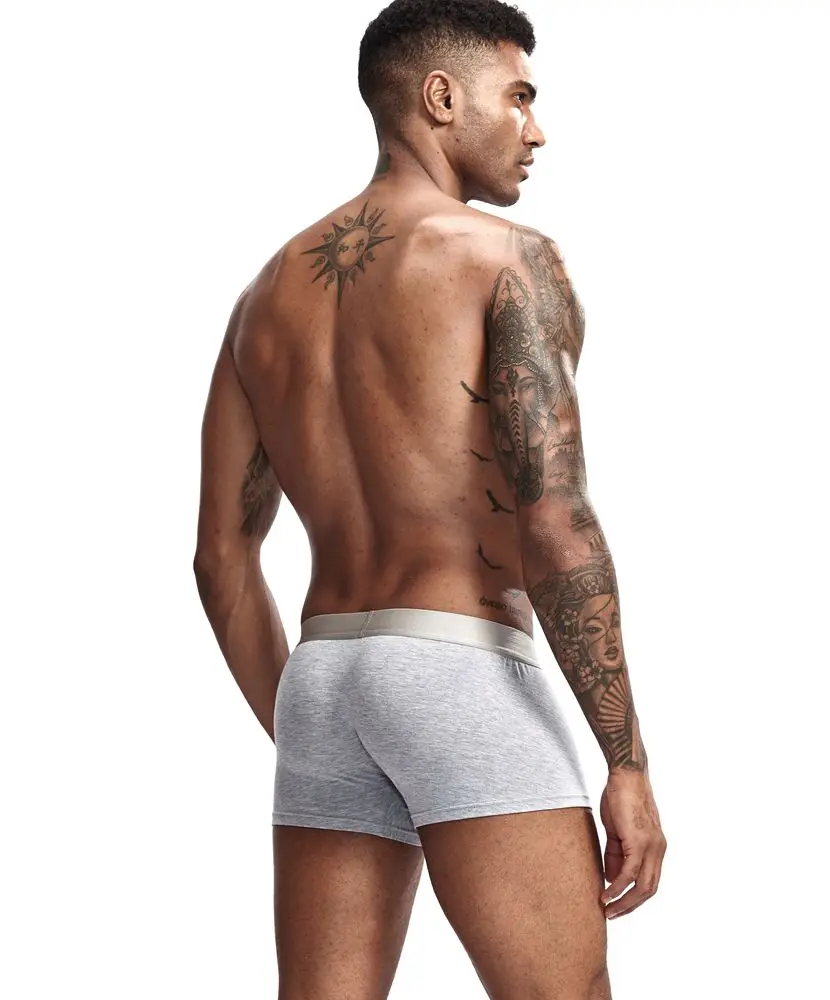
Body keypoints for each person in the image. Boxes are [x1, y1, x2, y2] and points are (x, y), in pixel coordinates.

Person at [193, 0, 666, 996]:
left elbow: (220, 557)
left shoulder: (264, 296)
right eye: (519, 97)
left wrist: (318, 730)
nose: (537, 129)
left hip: (322, 676)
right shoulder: (507, 259)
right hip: (457, 663)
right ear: (441, 98)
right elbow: (554, 520)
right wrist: (624, 761)